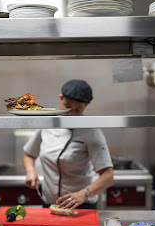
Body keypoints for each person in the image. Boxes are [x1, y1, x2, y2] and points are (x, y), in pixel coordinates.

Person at [23, 79, 114, 209]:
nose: (71, 114)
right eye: (67, 107)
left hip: (82, 205)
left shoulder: (91, 131)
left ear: (86, 106)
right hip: (50, 204)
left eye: (78, 110)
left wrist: (84, 193)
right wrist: (30, 171)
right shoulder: (48, 124)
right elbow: (29, 154)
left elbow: (108, 176)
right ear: (61, 98)